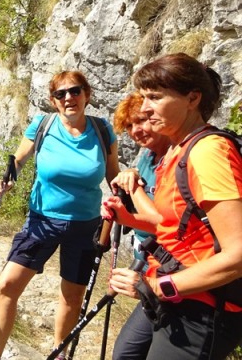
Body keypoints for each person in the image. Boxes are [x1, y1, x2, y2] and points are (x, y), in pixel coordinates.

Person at [104, 53, 242, 360]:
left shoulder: (208, 153)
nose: (145, 108)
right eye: (143, 97)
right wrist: (127, 216)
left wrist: (158, 286)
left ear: (193, 98)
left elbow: (238, 255)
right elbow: (175, 224)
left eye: (155, 97)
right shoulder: (176, 151)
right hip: (176, 293)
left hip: (204, 307)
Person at [0, 71, 120, 360]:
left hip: (85, 227)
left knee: (72, 296)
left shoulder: (102, 130)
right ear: (53, 101)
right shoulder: (42, 125)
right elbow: (18, 161)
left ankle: (59, 354)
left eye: (74, 91)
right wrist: (7, 179)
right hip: (41, 221)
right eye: (61, 94)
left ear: (87, 94)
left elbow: (113, 177)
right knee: (7, 285)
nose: (68, 98)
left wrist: (126, 195)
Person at [110, 93, 170, 359]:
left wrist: (133, 187)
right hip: (147, 266)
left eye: (141, 121)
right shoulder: (148, 156)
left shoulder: (175, 158)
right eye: (129, 127)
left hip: (172, 271)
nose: (135, 131)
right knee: (125, 353)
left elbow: (168, 225)